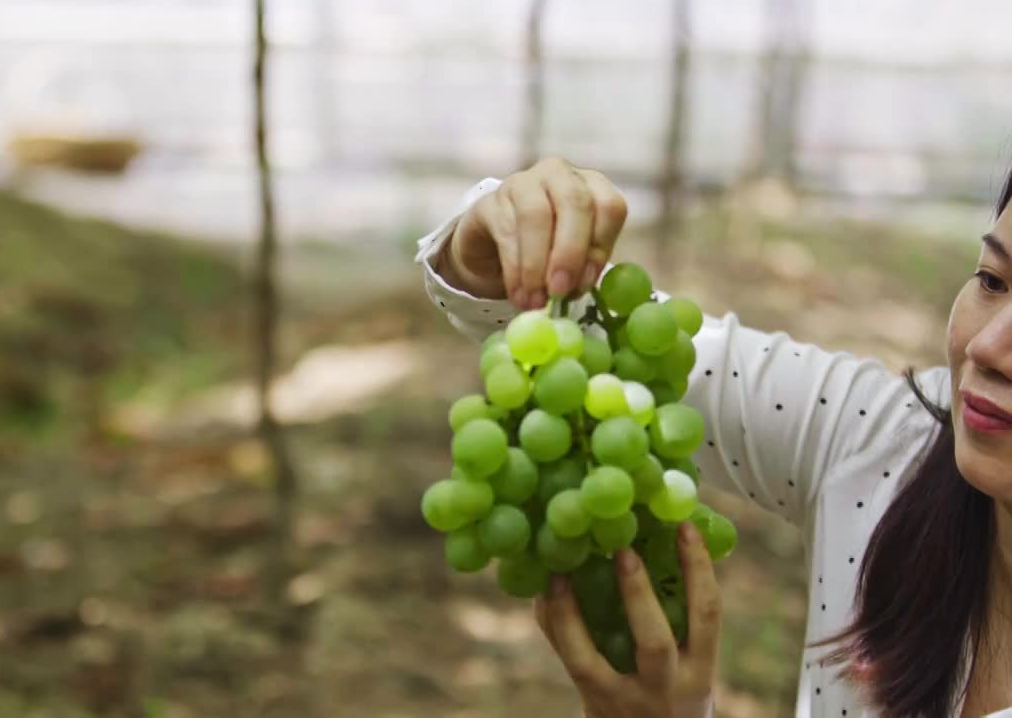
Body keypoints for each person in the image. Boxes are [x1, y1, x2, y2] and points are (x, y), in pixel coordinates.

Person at [415, 157, 1012, 717]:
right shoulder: (887, 439)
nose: (988, 348)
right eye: (993, 280)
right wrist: (491, 251)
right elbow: (612, 346)